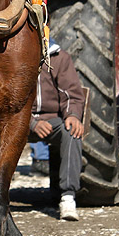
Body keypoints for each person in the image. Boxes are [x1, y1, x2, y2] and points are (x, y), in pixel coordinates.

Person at [28, 42, 85, 221]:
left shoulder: (58, 57)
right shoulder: (8, 54)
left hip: (52, 118)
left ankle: (68, 197)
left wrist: (73, 115)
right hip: (16, 121)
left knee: (71, 131)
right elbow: (4, 96)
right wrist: (31, 123)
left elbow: (71, 93)